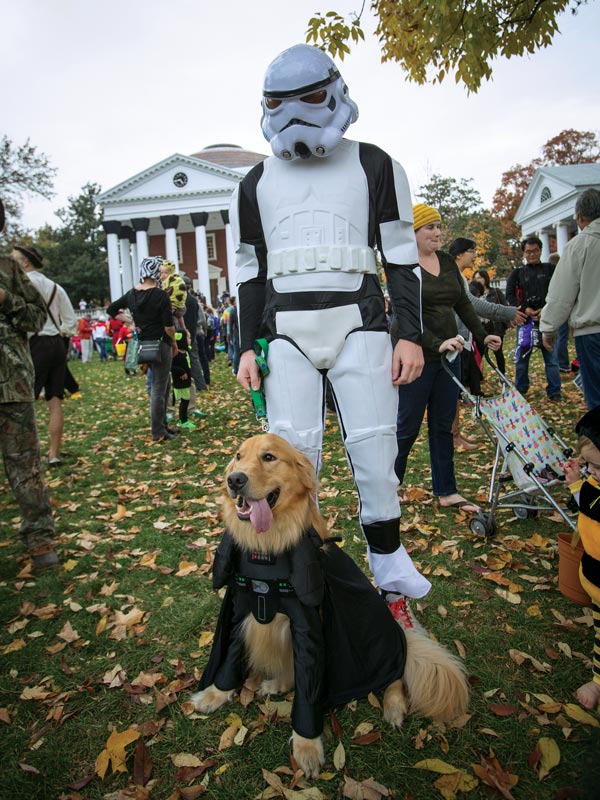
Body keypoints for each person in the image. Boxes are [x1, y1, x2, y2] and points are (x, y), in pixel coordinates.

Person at [232, 43, 428, 626]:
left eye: (309, 98)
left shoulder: (375, 163)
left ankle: (388, 557)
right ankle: (300, 559)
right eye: (280, 103)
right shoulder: (255, 183)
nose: (295, 114)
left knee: (375, 448)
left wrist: (409, 333)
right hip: (286, 329)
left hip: (359, 321)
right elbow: (249, 271)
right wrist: (246, 343)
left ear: (335, 92)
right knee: (291, 455)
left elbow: (400, 256)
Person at [393, 205, 502, 514]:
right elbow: (402, 318)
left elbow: (463, 304)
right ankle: (391, 485)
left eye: (439, 227)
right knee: (407, 426)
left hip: (449, 356)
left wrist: (482, 336)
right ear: (413, 232)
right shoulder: (403, 265)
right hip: (417, 358)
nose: (438, 233)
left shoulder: (446, 262)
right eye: (430, 227)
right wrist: (435, 343)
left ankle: (447, 490)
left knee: (443, 425)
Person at [1, 202, 59, 570]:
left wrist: (7, 301)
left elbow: (37, 315)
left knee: (25, 466)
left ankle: (39, 539)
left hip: (11, 385)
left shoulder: (8, 270)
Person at [447, 239, 523, 451]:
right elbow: (474, 305)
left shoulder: (459, 276)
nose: (474, 256)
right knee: (453, 392)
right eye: (472, 251)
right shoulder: (452, 274)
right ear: (459, 254)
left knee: (456, 392)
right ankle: (452, 436)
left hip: (460, 340)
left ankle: (455, 434)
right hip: (452, 342)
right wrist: (508, 312)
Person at [11, 245, 77, 467]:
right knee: (55, 399)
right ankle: (54, 453)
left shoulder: (22, 284)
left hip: (34, 343)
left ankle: (25, 455)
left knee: (24, 401)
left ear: (24, 263)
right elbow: (71, 322)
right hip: (56, 342)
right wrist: (62, 336)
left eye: (14, 259)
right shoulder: (55, 287)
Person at [540, 188, 600, 411]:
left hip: (592, 333)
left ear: (580, 217)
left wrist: (548, 327)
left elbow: (561, 295)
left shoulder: (579, 246)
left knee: (596, 397)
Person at [107, 256, 178, 442]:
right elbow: (168, 325)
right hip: (161, 343)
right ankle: (159, 431)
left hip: (144, 344)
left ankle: (163, 427)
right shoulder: (160, 295)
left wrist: (131, 321)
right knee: (159, 387)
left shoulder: (132, 294)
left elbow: (112, 310)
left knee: (162, 384)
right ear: (155, 272)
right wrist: (174, 342)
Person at [562, 407, 600, 710]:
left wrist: (580, 486)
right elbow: (586, 505)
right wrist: (578, 481)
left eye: (597, 467)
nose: (593, 474)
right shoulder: (594, 486)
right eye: (589, 466)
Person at [506, 236, 562, 401]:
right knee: (522, 358)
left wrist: (546, 309)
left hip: (547, 319)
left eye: (535, 251)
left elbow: (558, 291)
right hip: (525, 321)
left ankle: (555, 391)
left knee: (551, 357)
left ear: (540, 251)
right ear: (523, 253)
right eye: (528, 251)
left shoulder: (550, 269)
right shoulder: (517, 273)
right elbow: (509, 294)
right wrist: (524, 308)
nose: (531, 254)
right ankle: (521, 388)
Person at [473, 268, 510, 374]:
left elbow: (504, 306)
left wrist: (506, 324)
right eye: (476, 278)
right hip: (480, 328)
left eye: (480, 277)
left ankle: (502, 375)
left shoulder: (495, 292)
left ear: (485, 278)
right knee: (479, 354)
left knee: (498, 353)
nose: (478, 280)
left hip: (495, 327)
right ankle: (477, 377)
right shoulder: (473, 295)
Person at [546, 252, 571, 373]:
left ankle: (556, 362)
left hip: (552, 309)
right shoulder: (562, 275)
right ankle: (562, 363)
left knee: (553, 337)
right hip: (561, 309)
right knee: (561, 337)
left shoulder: (549, 276)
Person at [227, 296, 240, 375]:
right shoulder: (235, 310)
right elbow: (231, 325)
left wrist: (231, 337)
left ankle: (236, 370)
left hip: (236, 335)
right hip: (237, 335)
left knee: (237, 353)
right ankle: (236, 369)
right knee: (237, 354)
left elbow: (230, 325)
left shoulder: (233, 311)